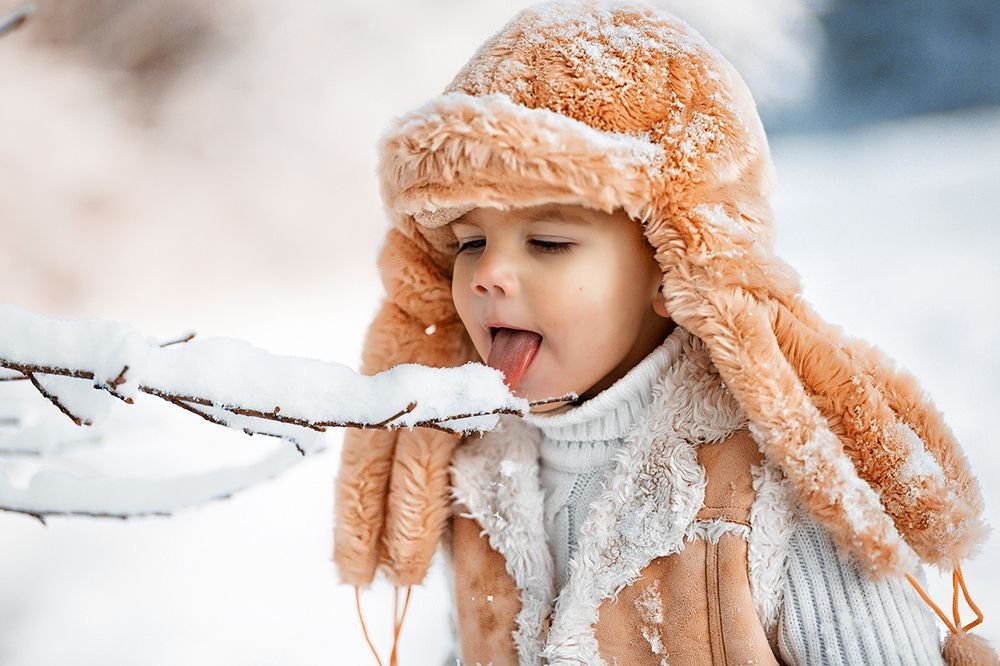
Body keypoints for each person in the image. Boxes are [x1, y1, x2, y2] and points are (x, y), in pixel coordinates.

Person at [334, 2, 996, 664]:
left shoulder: (769, 494)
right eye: (470, 241)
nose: (489, 273)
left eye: (549, 241)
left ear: (671, 266)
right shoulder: (482, 474)